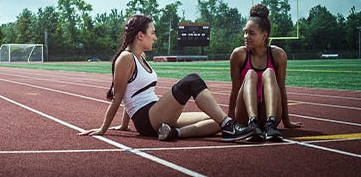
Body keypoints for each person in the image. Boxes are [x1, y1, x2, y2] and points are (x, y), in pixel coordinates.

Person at [79, 14, 253, 141]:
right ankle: (230, 127)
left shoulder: (141, 57)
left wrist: (125, 124)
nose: (155, 37)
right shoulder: (126, 58)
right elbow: (119, 96)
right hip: (147, 118)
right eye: (152, 33)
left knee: (216, 119)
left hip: (156, 112)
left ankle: (173, 133)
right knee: (192, 80)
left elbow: (132, 91)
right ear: (141, 35)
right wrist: (103, 129)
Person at [228, 4, 302, 142]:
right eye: (245, 32)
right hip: (245, 114)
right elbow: (235, 90)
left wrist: (286, 121)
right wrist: (229, 123)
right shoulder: (238, 55)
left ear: (264, 36)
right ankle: (253, 122)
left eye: (251, 33)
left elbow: (282, 89)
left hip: (269, 111)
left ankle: (271, 124)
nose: (246, 36)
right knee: (250, 74)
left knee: (269, 72)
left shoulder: (278, 55)